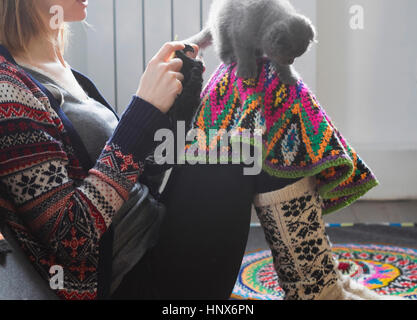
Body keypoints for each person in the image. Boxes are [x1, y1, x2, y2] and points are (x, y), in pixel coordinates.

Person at [0, 0, 393, 300]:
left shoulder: (55, 65)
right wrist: (142, 112)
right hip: (137, 283)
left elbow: (141, 180)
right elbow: (71, 238)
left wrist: (173, 115)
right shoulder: (8, 92)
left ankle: (317, 286)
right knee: (252, 97)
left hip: (157, 234)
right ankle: (320, 289)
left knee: (248, 81)